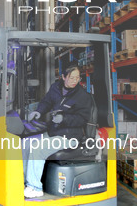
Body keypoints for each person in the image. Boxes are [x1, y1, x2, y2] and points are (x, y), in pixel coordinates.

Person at [23, 63, 93, 198]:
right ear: (63, 77)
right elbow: (46, 102)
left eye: (77, 78)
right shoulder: (55, 87)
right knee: (26, 143)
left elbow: (82, 119)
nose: (75, 81)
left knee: (38, 148)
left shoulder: (83, 96)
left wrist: (63, 118)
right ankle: (26, 180)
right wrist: (38, 112)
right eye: (71, 77)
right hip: (54, 132)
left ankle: (35, 187)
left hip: (70, 136)